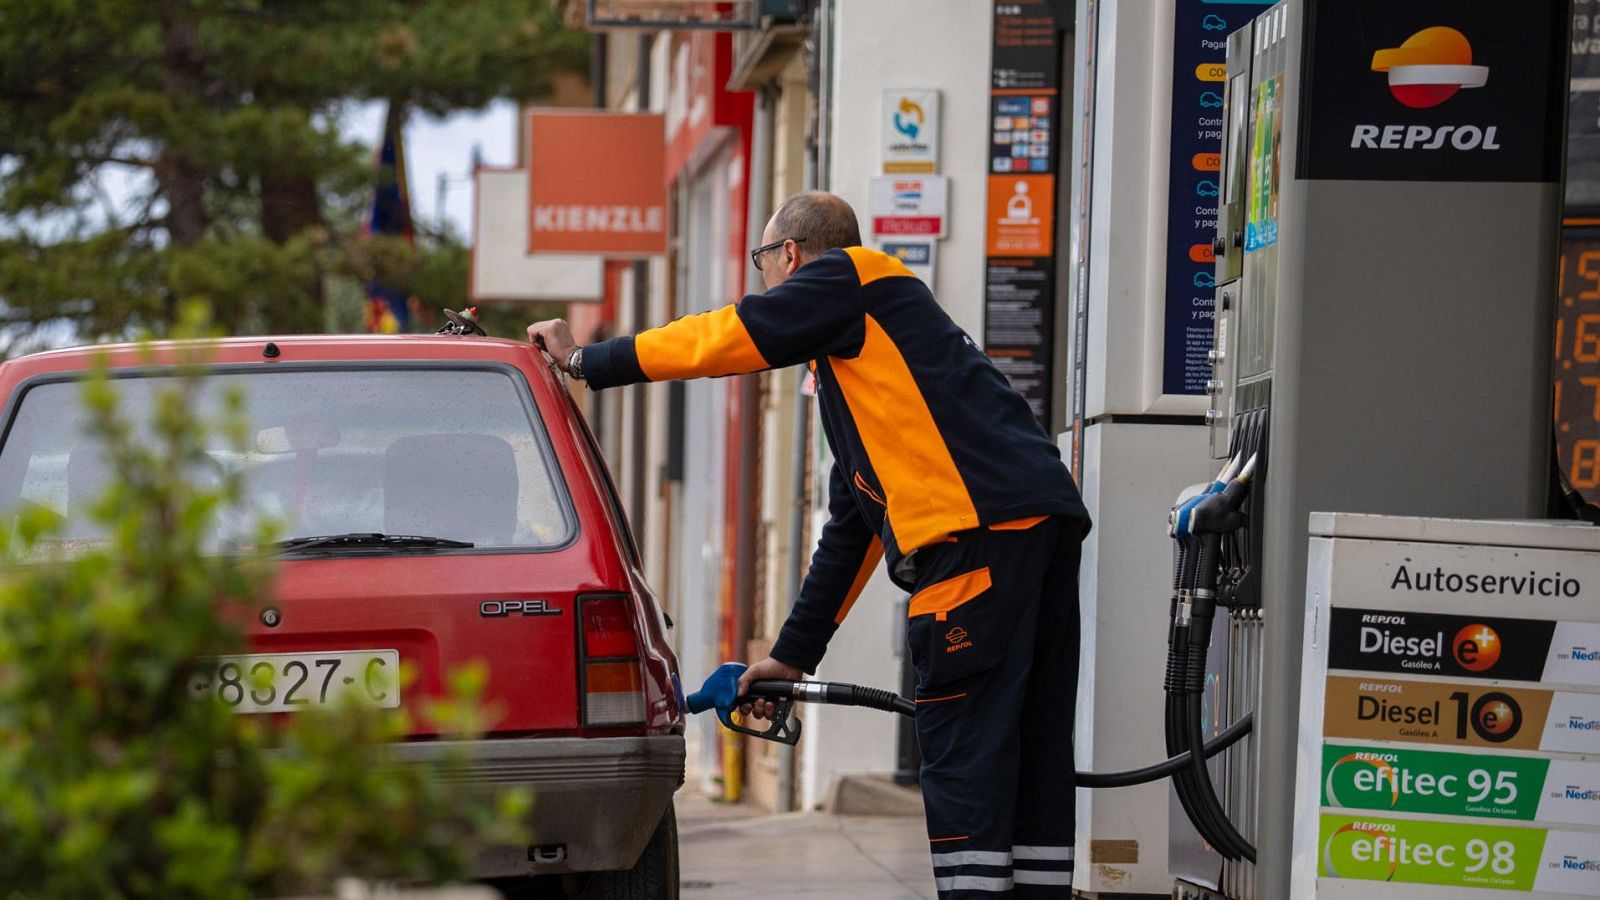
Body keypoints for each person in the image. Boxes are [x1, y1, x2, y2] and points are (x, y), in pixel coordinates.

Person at [528, 192, 1091, 899]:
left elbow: (730, 335)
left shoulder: (851, 278)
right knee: (1029, 755)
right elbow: (853, 528)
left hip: (974, 544)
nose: (765, 281)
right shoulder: (871, 358)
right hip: (1033, 530)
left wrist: (585, 359)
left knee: (966, 759)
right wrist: (792, 657)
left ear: (788, 256)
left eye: (764, 263)